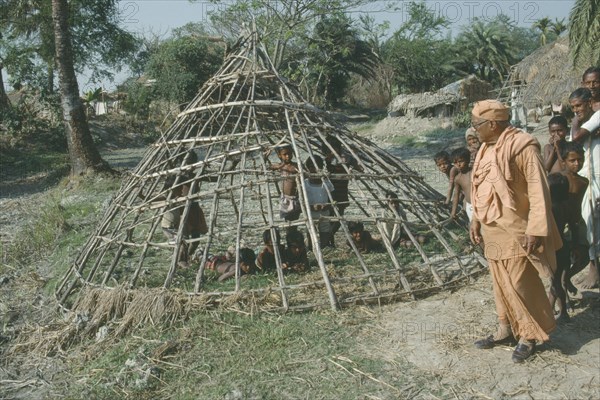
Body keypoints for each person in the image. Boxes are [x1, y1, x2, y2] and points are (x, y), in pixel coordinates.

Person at [469, 99, 562, 363]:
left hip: (517, 229)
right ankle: (506, 328)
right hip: (491, 230)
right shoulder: (486, 149)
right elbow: (481, 188)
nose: (474, 129)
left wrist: (535, 228)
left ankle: (529, 335)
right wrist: (475, 219)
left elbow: (538, 190)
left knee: (522, 282)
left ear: (493, 124)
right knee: (500, 283)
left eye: (477, 124)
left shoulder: (523, 146)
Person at [570, 87, 600, 289]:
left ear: (589, 103)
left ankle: (594, 269)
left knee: (592, 222)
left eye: (578, 106)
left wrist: (574, 123)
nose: (576, 111)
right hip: (586, 174)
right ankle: (593, 265)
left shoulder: (596, 116)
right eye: (572, 108)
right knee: (587, 222)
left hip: (597, 175)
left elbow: (576, 138)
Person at [559, 141, 589, 294]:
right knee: (562, 261)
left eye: (580, 159)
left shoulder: (584, 182)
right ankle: (562, 299)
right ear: (563, 161)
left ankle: (567, 278)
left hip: (576, 223)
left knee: (584, 254)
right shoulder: (557, 180)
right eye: (572, 160)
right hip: (561, 224)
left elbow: (576, 206)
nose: (577, 163)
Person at [322, 135, 362, 247]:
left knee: (340, 216)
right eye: (330, 149)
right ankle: (330, 241)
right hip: (331, 192)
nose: (333, 151)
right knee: (330, 216)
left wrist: (354, 165)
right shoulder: (326, 161)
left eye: (335, 148)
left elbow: (358, 167)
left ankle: (329, 237)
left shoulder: (347, 158)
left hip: (342, 190)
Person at [547, 173, 573, 323]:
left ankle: (563, 313)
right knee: (556, 281)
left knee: (555, 282)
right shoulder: (567, 205)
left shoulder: (552, 209)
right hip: (564, 246)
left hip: (555, 248)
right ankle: (550, 310)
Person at [304, 156, 334, 248]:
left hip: (324, 212)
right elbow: (301, 201)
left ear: (321, 167)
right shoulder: (305, 183)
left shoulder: (326, 183)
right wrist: (311, 207)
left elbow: (331, 199)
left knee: (324, 230)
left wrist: (327, 206)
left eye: (317, 166)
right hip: (310, 212)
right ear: (308, 168)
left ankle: (323, 247)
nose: (315, 169)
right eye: (311, 166)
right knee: (310, 231)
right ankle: (311, 247)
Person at [269, 144, 301, 227]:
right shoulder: (280, 166)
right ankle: (290, 234)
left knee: (294, 220)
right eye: (285, 154)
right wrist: (265, 157)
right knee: (287, 221)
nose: (288, 156)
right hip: (285, 198)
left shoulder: (296, 166)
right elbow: (268, 167)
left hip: (295, 197)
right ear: (279, 155)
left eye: (289, 154)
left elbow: (305, 173)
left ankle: (293, 233)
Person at [570, 67, 600, 140]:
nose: (591, 86)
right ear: (582, 84)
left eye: (595, 82)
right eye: (588, 83)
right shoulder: (579, 106)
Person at [450, 147, 473, 221]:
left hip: (481, 204)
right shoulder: (458, 179)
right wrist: (453, 212)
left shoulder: (474, 172)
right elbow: (456, 194)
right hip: (470, 206)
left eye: (461, 161)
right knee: (473, 225)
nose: (458, 165)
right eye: (455, 163)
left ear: (468, 160)